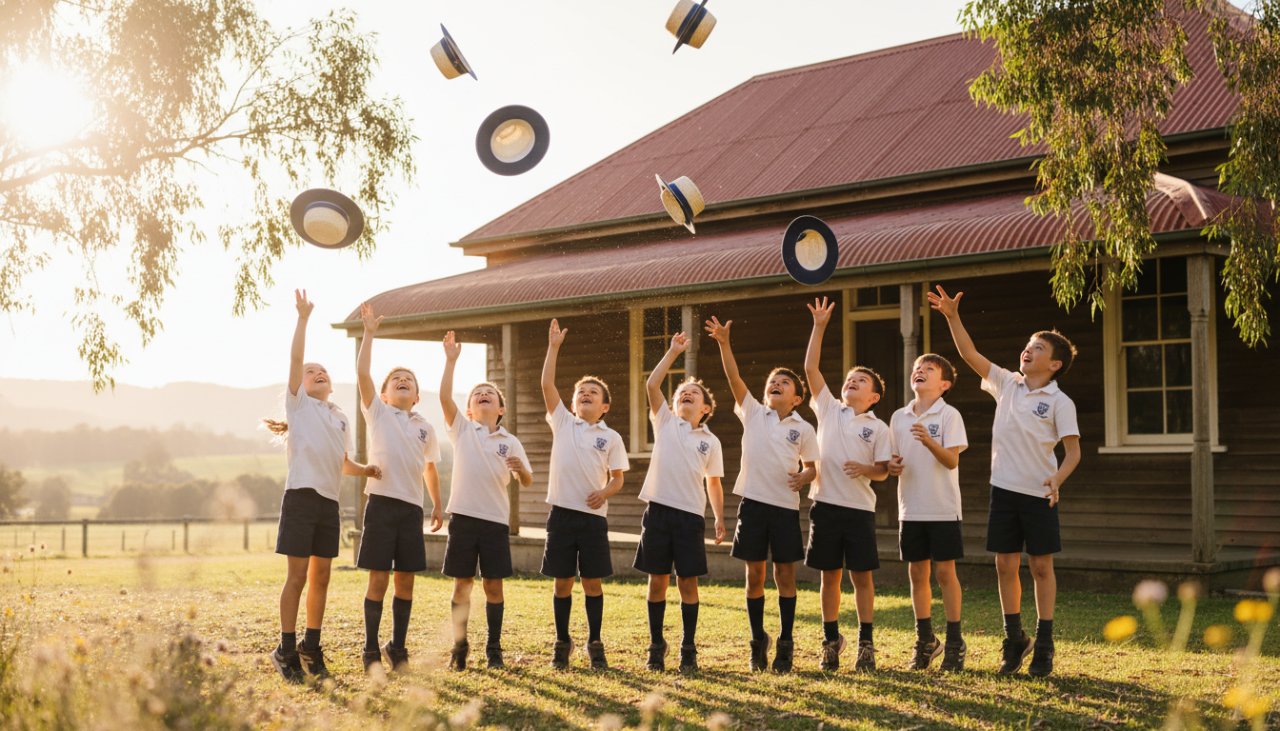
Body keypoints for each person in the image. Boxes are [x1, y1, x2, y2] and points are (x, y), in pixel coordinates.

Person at [929, 285, 1080, 677]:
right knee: (1004, 565)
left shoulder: (1060, 402)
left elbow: (1073, 452)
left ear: (1055, 364)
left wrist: (1057, 479)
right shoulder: (1007, 383)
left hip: (1039, 495)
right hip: (1004, 492)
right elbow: (968, 354)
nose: (1028, 351)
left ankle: (1044, 643)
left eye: (1039, 349)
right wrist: (952, 316)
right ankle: (1015, 638)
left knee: (1041, 568)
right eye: (1027, 345)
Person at [267, 290, 381, 682]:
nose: (318, 373)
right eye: (311, 371)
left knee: (322, 578)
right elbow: (296, 359)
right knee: (296, 577)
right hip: (300, 498)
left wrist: (366, 470)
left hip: (328, 504)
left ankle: (310, 646)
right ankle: (284, 649)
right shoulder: (299, 406)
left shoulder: (340, 416)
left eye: (324, 372)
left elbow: (342, 463)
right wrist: (303, 319)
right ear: (299, 384)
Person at [704, 315, 817, 673]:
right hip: (752, 505)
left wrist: (805, 476)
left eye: (784, 383)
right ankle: (758, 641)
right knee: (754, 576)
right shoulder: (753, 412)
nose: (776, 385)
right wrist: (724, 343)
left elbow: (813, 467)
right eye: (772, 382)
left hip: (784, 509)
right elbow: (734, 379)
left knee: (784, 576)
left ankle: (785, 641)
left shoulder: (804, 428)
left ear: (797, 398)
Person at [801, 297, 892, 672]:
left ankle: (866, 643)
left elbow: (884, 471)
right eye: (849, 379)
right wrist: (820, 325)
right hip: (825, 504)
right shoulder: (828, 409)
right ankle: (830, 640)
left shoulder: (878, 427)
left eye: (861, 381)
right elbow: (810, 367)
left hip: (858, 510)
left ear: (872, 397)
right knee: (829, 577)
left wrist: (866, 468)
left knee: (861, 578)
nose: (852, 382)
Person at [354, 302, 443, 673]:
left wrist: (438, 505)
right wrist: (369, 334)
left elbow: (430, 468)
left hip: (411, 509)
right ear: (386, 395)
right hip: (381, 505)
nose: (403, 381)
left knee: (406, 578)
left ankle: (398, 646)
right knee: (379, 577)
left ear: (418, 396)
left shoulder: (425, 426)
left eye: (410, 380)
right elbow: (362, 374)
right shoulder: (378, 412)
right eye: (397, 380)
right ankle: (371, 647)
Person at [632, 331, 726, 674]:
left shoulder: (710, 441)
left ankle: (688, 647)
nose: (686, 394)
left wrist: (718, 518)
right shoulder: (666, 422)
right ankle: (657, 645)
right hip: (657, 513)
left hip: (690, 518)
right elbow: (652, 385)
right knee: (657, 581)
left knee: (687, 582)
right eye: (682, 393)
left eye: (694, 394)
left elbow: (713, 483)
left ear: (705, 409)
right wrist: (672, 352)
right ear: (672, 406)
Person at [441, 330, 533, 670]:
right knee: (462, 585)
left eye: (489, 394)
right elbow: (445, 398)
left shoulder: (511, 441)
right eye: (477, 394)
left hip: (495, 522)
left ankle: (494, 649)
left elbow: (526, 480)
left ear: (501, 408)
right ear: (469, 408)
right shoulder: (462, 430)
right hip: (463, 519)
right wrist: (451, 362)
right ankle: (459, 647)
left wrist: (520, 468)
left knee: (493, 586)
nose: (483, 395)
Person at [540, 319, 629, 670]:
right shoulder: (562, 421)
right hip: (561, 515)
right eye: (581, 392)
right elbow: (547, 383)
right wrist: (554, 348)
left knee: (591, 582)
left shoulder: (612, 437)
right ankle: (562, 642)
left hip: (593, 519)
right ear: (573, 404)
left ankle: (595, 642)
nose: (585, 394)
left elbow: (618, 478)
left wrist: (605, 491)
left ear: (605, 406)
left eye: (593, 392)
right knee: (562, 582)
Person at [888, 353, 968, 671]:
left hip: (943, 508)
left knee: (944, 573)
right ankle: (925, 641)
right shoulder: (898, 417)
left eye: (929, 369)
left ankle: (954, 642)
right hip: (910, 509)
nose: (919, 371)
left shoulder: (949, 416)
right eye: (916, 368)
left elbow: (951, 461)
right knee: (917, 574)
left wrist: (930, 441)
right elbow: (893, 460)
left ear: (944, 384)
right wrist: (891, 466)